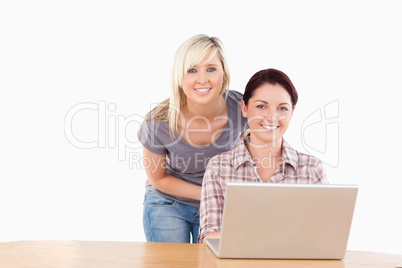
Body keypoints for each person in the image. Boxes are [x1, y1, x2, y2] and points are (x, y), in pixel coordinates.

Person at [137, 34, 248, 243]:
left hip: (218, 203)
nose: (202, 79)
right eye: (192, 70)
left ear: (223, 73)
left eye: (211, 69)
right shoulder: (156, 123)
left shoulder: (240, 107)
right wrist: (209, 194)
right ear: (180, 77)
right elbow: (158, 178)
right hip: (168, 202)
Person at [198, 68, 329, 243]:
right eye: (261, 106)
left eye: (282, 108)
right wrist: (281, 236)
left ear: (292, 112)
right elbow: (209, 238)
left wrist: (246, 235)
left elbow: (326, 236)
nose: (272, 117)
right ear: (244, 108)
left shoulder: (312, 169)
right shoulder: (219, 168)